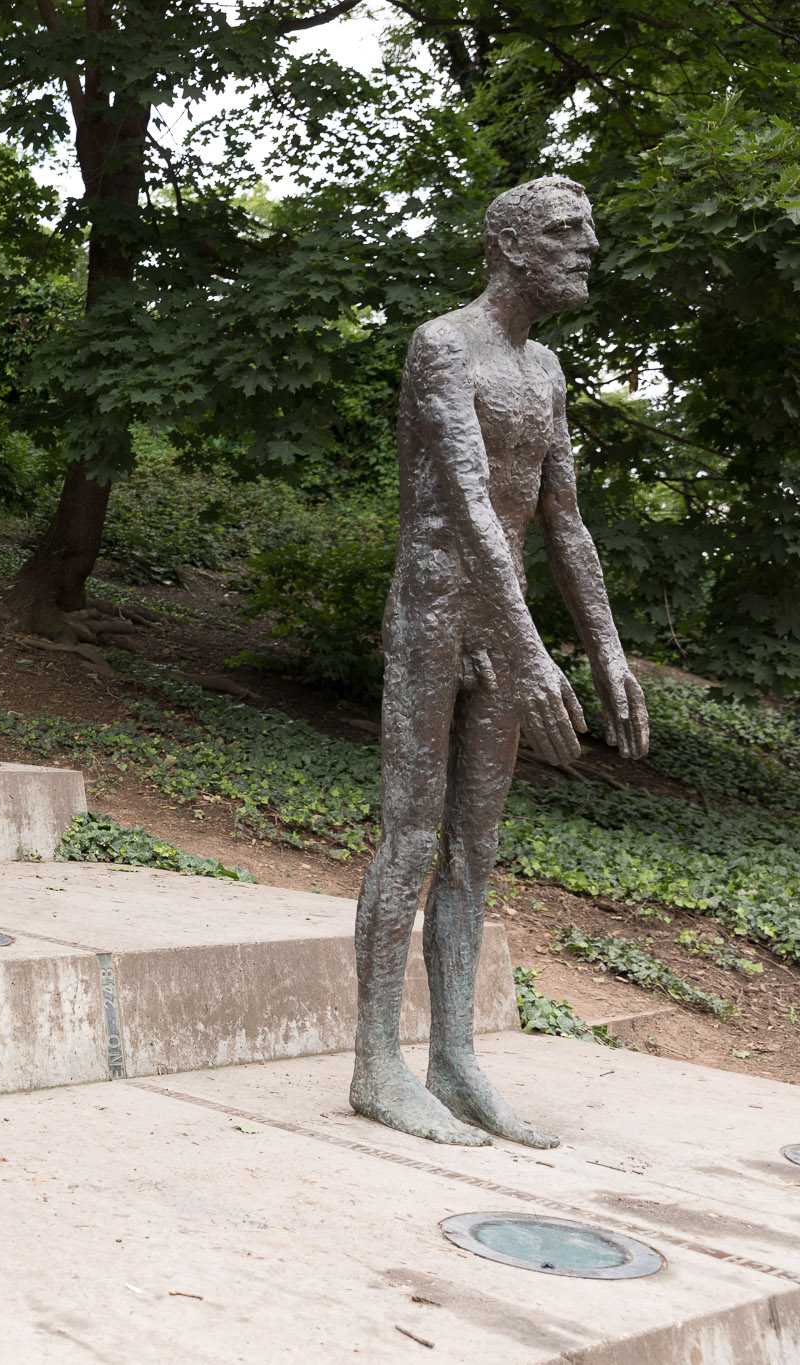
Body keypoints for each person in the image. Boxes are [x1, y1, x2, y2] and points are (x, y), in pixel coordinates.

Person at [352, 175, 649, 1148]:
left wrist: (603, 647)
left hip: (500, 618)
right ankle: (372, 1064)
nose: (587, 247)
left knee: (472, 850)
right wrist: (529, 650)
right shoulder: (441, 347)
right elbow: (471, 504)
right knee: (408, 837)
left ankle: (451, 1058)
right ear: (511, 246)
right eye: (567, 232)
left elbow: (560, 520)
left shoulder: (546, 371)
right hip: (436, 615)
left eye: (588, 230)